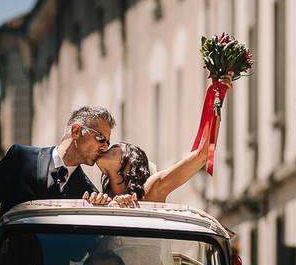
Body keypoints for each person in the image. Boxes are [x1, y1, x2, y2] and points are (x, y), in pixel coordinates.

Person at [0, 106, 115, 256]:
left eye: (107, 143)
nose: (104, 148)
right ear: (76, 131)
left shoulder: (89, 193)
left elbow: (77, 254)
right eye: (101, 139)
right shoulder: (21, 158)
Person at [95, 74, 232, 203]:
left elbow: (201, 155)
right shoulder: (101, 197)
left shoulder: (150, 190)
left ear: (131, 163)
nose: (105, 146)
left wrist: (217, 97)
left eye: (114, 148)